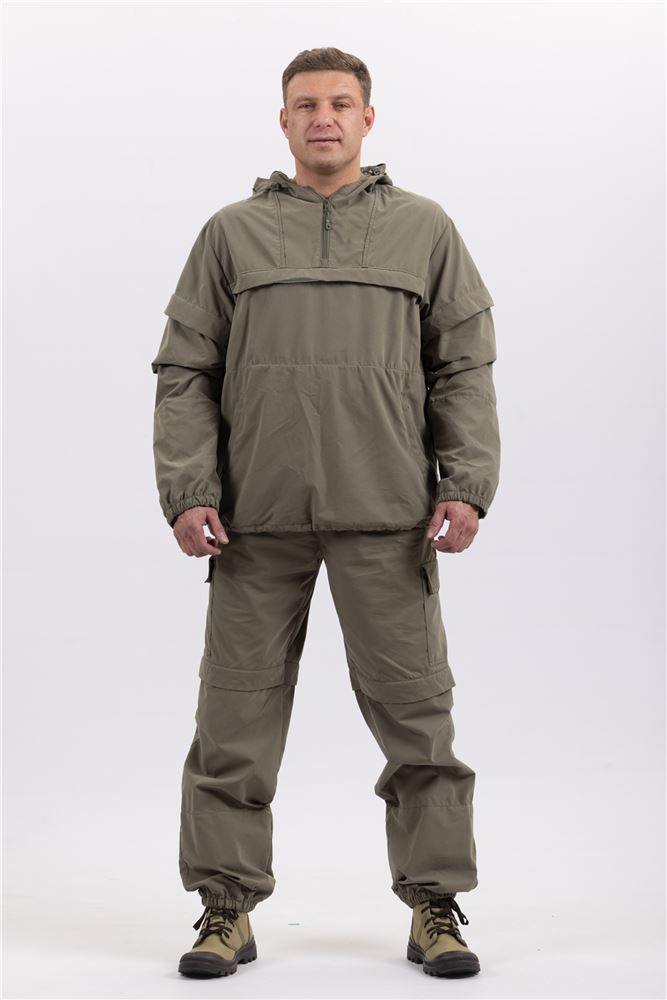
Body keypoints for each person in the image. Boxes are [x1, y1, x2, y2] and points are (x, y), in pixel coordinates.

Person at [151, 46, 500, 981]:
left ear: (366, 119)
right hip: (253, 521)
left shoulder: (423, 229)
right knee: (232, 726)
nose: (323, 118)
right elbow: (185, 371)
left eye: (340, 104)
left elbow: (461, 366)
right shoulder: (231, 234)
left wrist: (464, 480)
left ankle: (434, 905)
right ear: (283, 121)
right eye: (305, 104)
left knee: (418, 724)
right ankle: (225, 909)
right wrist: (189, 490)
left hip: (388, 514)